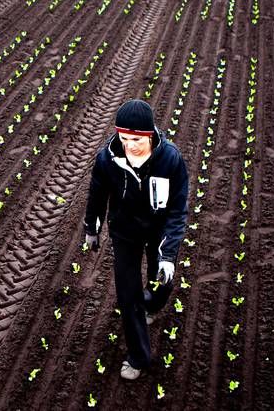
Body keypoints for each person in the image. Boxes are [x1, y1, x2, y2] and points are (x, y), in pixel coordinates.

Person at [83, 99, 188, 380]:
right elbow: (97, 194)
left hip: (157, 229)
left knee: (161, 279)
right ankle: (139, 357)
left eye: (136, 139)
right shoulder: (108, 158)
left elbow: (177, 212)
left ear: (150, 135)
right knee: (127, 295)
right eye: (124, 137)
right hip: (125, 231)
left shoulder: (170, 159)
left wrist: (168, 258)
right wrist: (91, 228)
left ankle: (153, 303)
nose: (129, 145)